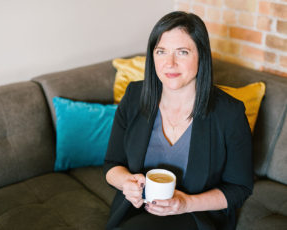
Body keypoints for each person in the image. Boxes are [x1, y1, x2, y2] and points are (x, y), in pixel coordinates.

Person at [104, 11, 253, 230]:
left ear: (201, 55)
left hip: (196, 215)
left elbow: (239, 188)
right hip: (134, 209)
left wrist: (185, 203)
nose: (170, 63)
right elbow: (111, 165)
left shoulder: (229, 113)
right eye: (161, 51)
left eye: (182, 52)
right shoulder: (134, 96)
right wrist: (126, 183)